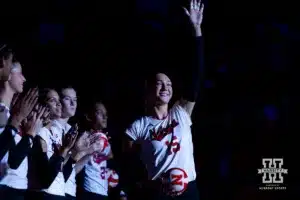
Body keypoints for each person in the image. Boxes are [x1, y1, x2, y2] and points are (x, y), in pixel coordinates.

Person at [123, 0, 204, 199]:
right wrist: (144, 184)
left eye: (168, 84)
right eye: (159, 83)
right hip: (160, 193)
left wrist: (196, 31)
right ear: (148, 90)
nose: (166, 87)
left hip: (189, 191)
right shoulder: (138, 127)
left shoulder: (181, 112)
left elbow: (196, 76)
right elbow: (127, 163)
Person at [77, 101, 113, 200]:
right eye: (99, 112)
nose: (105, 116)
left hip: (103, 190)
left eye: (105, 113)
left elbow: (110, 156)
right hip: (89, 188)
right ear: (89, 117)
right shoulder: (84, 137)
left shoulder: (103, 136)